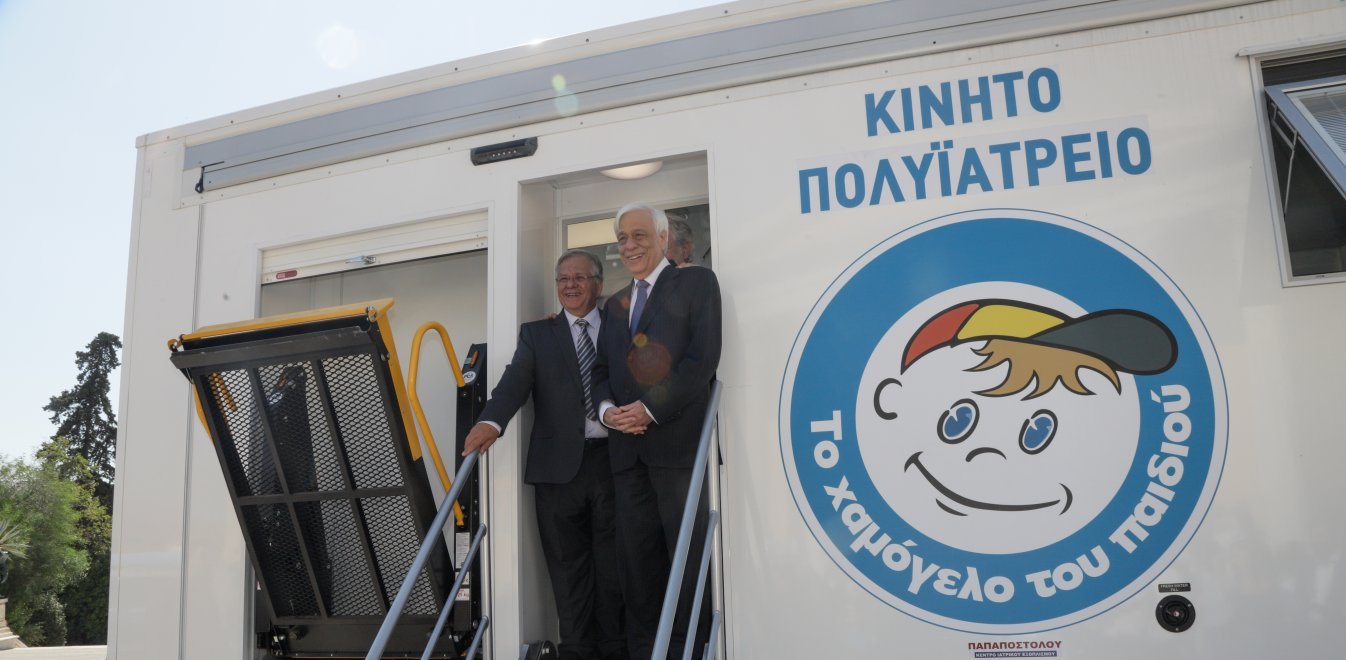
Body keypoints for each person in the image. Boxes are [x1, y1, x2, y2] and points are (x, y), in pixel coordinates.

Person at [462, 250, 624, 660]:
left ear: (599, 284)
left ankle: (616, 652)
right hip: (556, 475)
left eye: (580, 277)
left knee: (616, 572)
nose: (570, 285)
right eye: (563, 279)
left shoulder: (620, 326)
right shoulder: (537, 334)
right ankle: (578, 654)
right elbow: (514, 383)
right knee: (568, 576)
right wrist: (491, 422)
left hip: (615, 465)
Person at [592, 202, 722, 659]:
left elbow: (701, 360)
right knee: (636, 569)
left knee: (687, 564)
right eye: (622, 238)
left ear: (664, 238)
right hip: (627, 457)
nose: (629, 245)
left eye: (639, 235)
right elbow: (601, 371)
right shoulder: (614, 306)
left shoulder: (697, 283)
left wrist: (649, 409)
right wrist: (608, 412)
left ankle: (691, 651)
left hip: (677, 452)